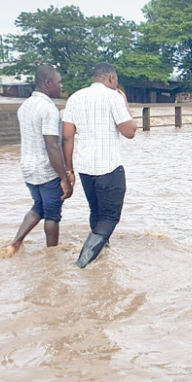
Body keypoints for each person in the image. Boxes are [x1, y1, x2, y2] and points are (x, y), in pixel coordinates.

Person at [62, 63, 138, 268]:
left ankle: (102, 254)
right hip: (109, 168)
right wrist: (125, 103)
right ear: (111, 79)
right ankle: (82, 263)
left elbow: (67, 137)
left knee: (96, 213)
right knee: (109, 218)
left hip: (85, 169)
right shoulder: (114, 98)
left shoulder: (74, 98)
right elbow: (129, 131)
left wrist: (68, 171)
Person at [6, 66, 72, 256]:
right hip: (46, 169)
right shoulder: (49, 109)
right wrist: (64, 178)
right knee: (52, 214)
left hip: (27, 168)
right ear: (48, 83)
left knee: (39, 206)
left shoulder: (24, 106)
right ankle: (51, 256)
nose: (61, 86)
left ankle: (15, 243)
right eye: (59, 82)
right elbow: (52, 146)